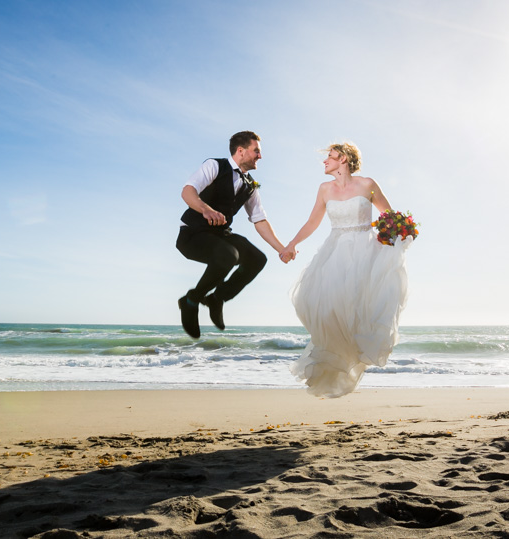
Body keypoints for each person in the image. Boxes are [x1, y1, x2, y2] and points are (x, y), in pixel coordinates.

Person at [282, 142, 411, 398]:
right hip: (335, 253)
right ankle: (338, 362)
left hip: (366, 251)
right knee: (326, 307)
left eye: (329, 157)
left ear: (343, 158)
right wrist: (291, 244)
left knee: (363, 305)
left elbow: (389, 215)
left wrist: (401, 231)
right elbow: (312, 222)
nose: (325, 161)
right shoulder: (324, 189)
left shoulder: (367, 184)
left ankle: (361, 351)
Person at [176, 131, 292, 339]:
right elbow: (187, 191)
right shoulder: (214, 166)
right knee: (229, 255)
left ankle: (216, 299)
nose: (260, 156)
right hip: (192, 234)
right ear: (241, 151)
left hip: (220, 235)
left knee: (257, 259)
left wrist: (282, 249)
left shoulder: (251, 186)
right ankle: (191, 300)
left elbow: (259, 220)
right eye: (256, 151)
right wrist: (205, 209)